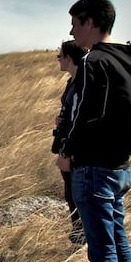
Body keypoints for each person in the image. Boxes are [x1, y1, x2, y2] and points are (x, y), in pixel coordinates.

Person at [55, 0, 131, 262]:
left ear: (91, 22)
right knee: (118, 241)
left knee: (101, 247)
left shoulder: (93, 61)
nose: (72, 31)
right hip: (118, 166)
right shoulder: (124, 61)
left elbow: (85, 115)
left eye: (75, 23)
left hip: (94, 167)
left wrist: (66, 152)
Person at [51, 40, 88, 245]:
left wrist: (66, 152)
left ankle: (82, 238)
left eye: (60, 56)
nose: (58, 60)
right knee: (71, 194)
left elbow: (81, 119)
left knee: (78, 194)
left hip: (74, 149)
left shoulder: (83, 82)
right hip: (67, 144)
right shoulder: (72, 82)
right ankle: (78, 234)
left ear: (69, 58)